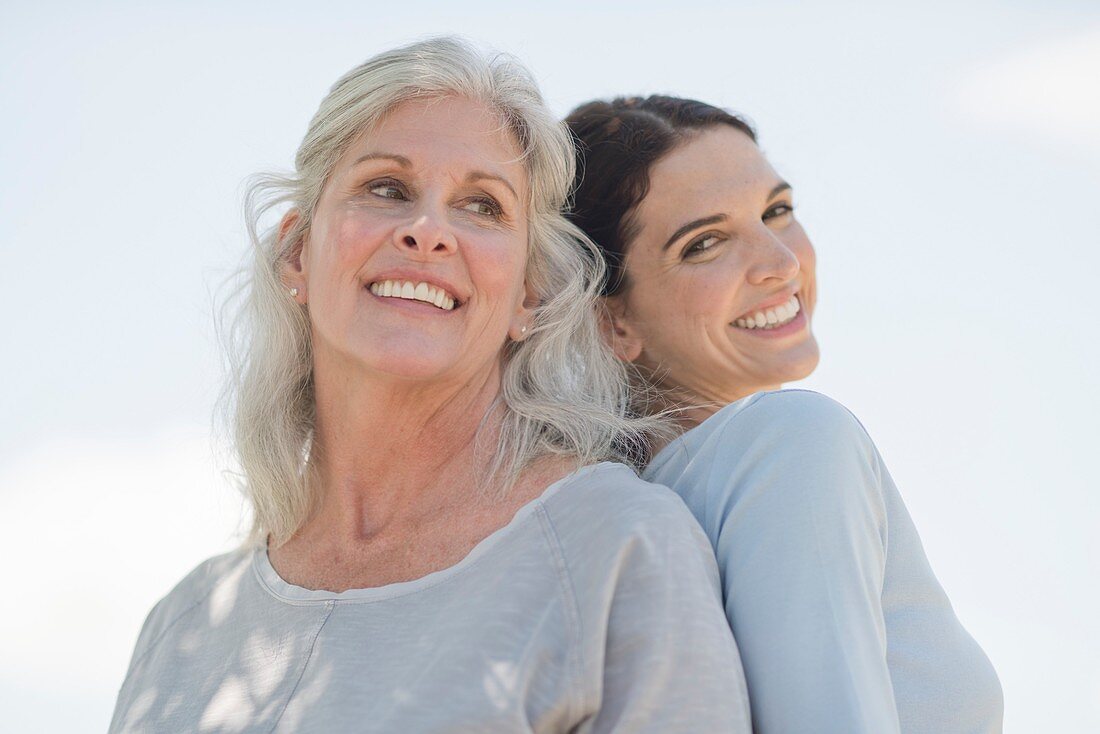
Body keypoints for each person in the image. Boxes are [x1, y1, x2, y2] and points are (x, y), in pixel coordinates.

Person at [108, 45, 752, 733]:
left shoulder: (619, 547)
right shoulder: (182, 627)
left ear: (529, 293)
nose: (428, 232)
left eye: (482, 206)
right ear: (298, 252)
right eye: (386, 189)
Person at [566, 95, 1003, 733]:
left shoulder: (594, 521)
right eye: (705, 243)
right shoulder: (794, 442)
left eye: (777, 211)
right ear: (611, 320)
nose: (781, 262)